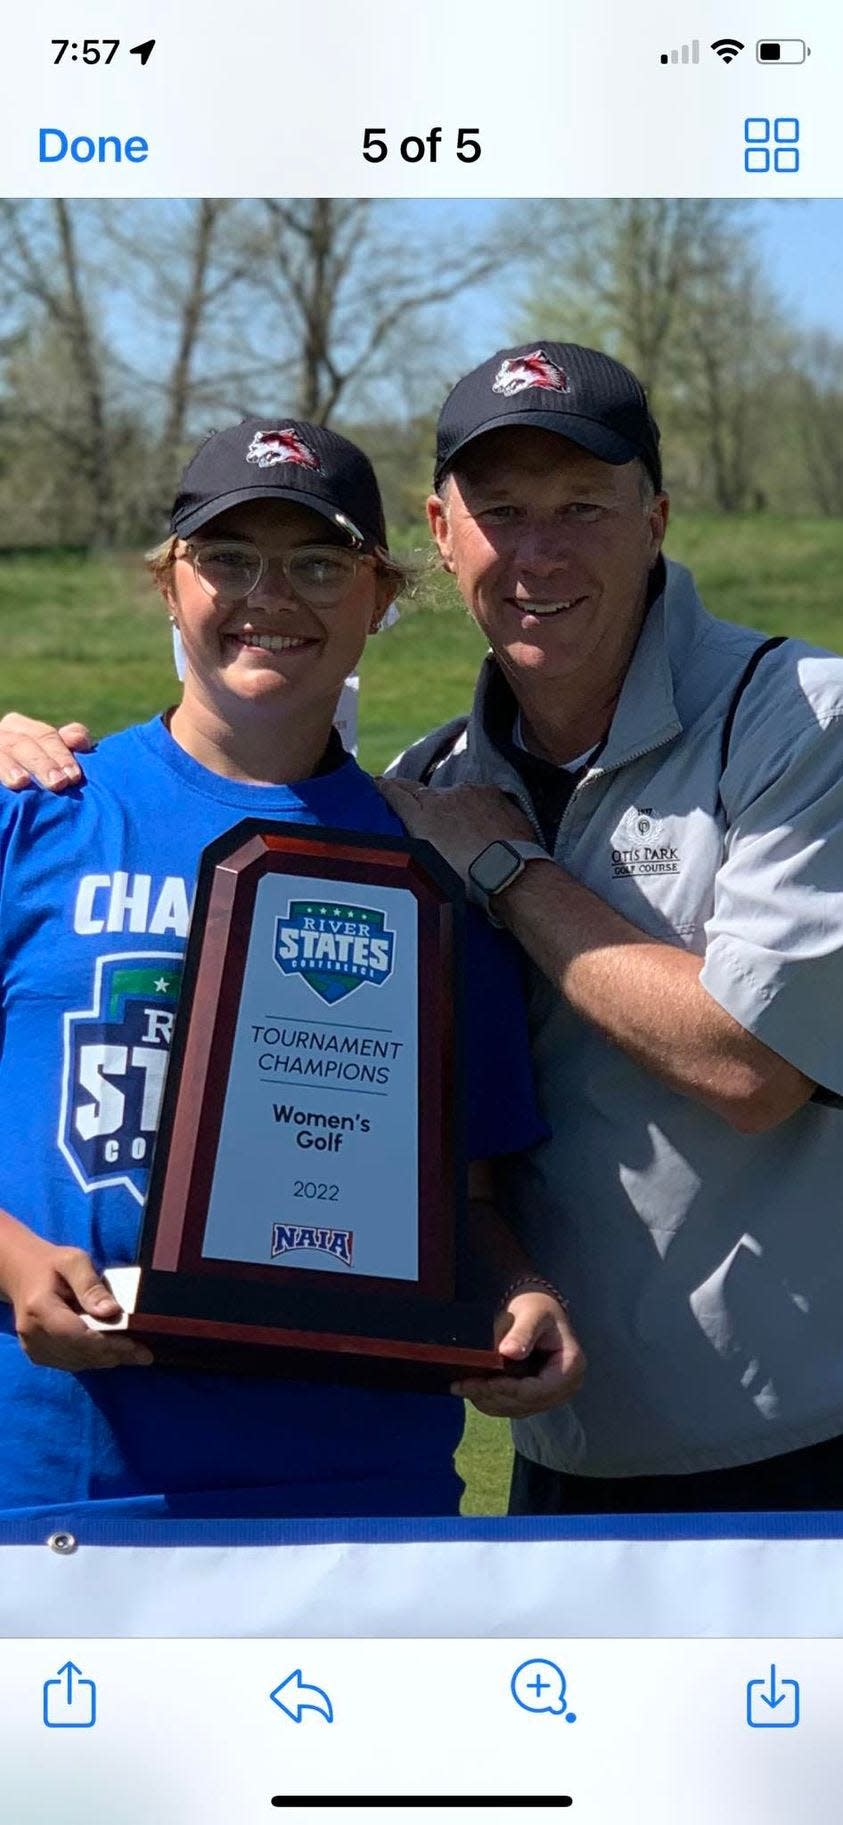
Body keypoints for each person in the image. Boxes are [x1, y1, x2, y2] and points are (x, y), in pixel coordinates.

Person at [13, 349, 843, 1516]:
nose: (538, 551)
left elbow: (741, 1069)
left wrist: (505, 867)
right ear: (445, 538)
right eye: (502, 513)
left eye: (581, 509)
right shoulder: (421, 786)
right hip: (116, 1461)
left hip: (778, 1439)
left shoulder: (790, 724)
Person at [0, 414, 583, 1525]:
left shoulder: (437, 866)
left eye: (320, 562)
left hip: (357, 1493)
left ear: (380, 597)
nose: (271, 595)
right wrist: (16, 1259)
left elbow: (458, 1194)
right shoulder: (39, 813)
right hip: (60, 1482)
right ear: (170, 583)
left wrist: (519, 1293)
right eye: (227, 558)